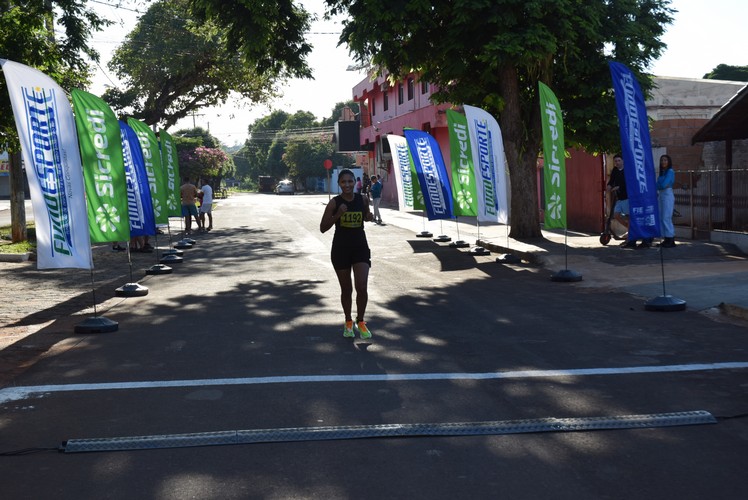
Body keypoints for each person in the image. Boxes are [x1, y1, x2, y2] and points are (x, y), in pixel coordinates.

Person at [320, 168, 374, 339]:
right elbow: (323, 228)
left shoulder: (363, 199)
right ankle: (348, 321)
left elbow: (365, 216)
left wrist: (369, 217)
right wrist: (338, 214)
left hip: (360, 247)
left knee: (362, 287)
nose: (347, 185)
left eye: (350, 181)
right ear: (339, 184)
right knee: (346, 289)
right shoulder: (334, 203)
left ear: (354, 182)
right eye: (343, 182)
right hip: (340, 249)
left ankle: (361, 321)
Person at [607, 154, 636, 248]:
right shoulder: (615, 170)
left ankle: (630, 237)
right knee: (616, 215)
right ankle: (629, 228)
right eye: (615, 161)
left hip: (627, 197)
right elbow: (611, 181)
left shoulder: (627, 170)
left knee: (628, 216)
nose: (617, 162)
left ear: (623, 161)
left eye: (619, 160)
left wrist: (619, 187)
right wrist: (609, 186)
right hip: (619, 197)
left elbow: (630, 182)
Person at [657, 154, 676, 248]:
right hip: (661, 194)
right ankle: (666, 239)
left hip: (667, 195)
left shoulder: (670, 171)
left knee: (666, 217)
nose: (663, 162)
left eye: (665, 160)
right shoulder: (662, 172)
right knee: (661, 217)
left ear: (669, 162)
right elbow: (657, 185)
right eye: (662, 160)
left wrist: (661, 185)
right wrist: (660, 185)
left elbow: (663, 184)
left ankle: (671, 239)